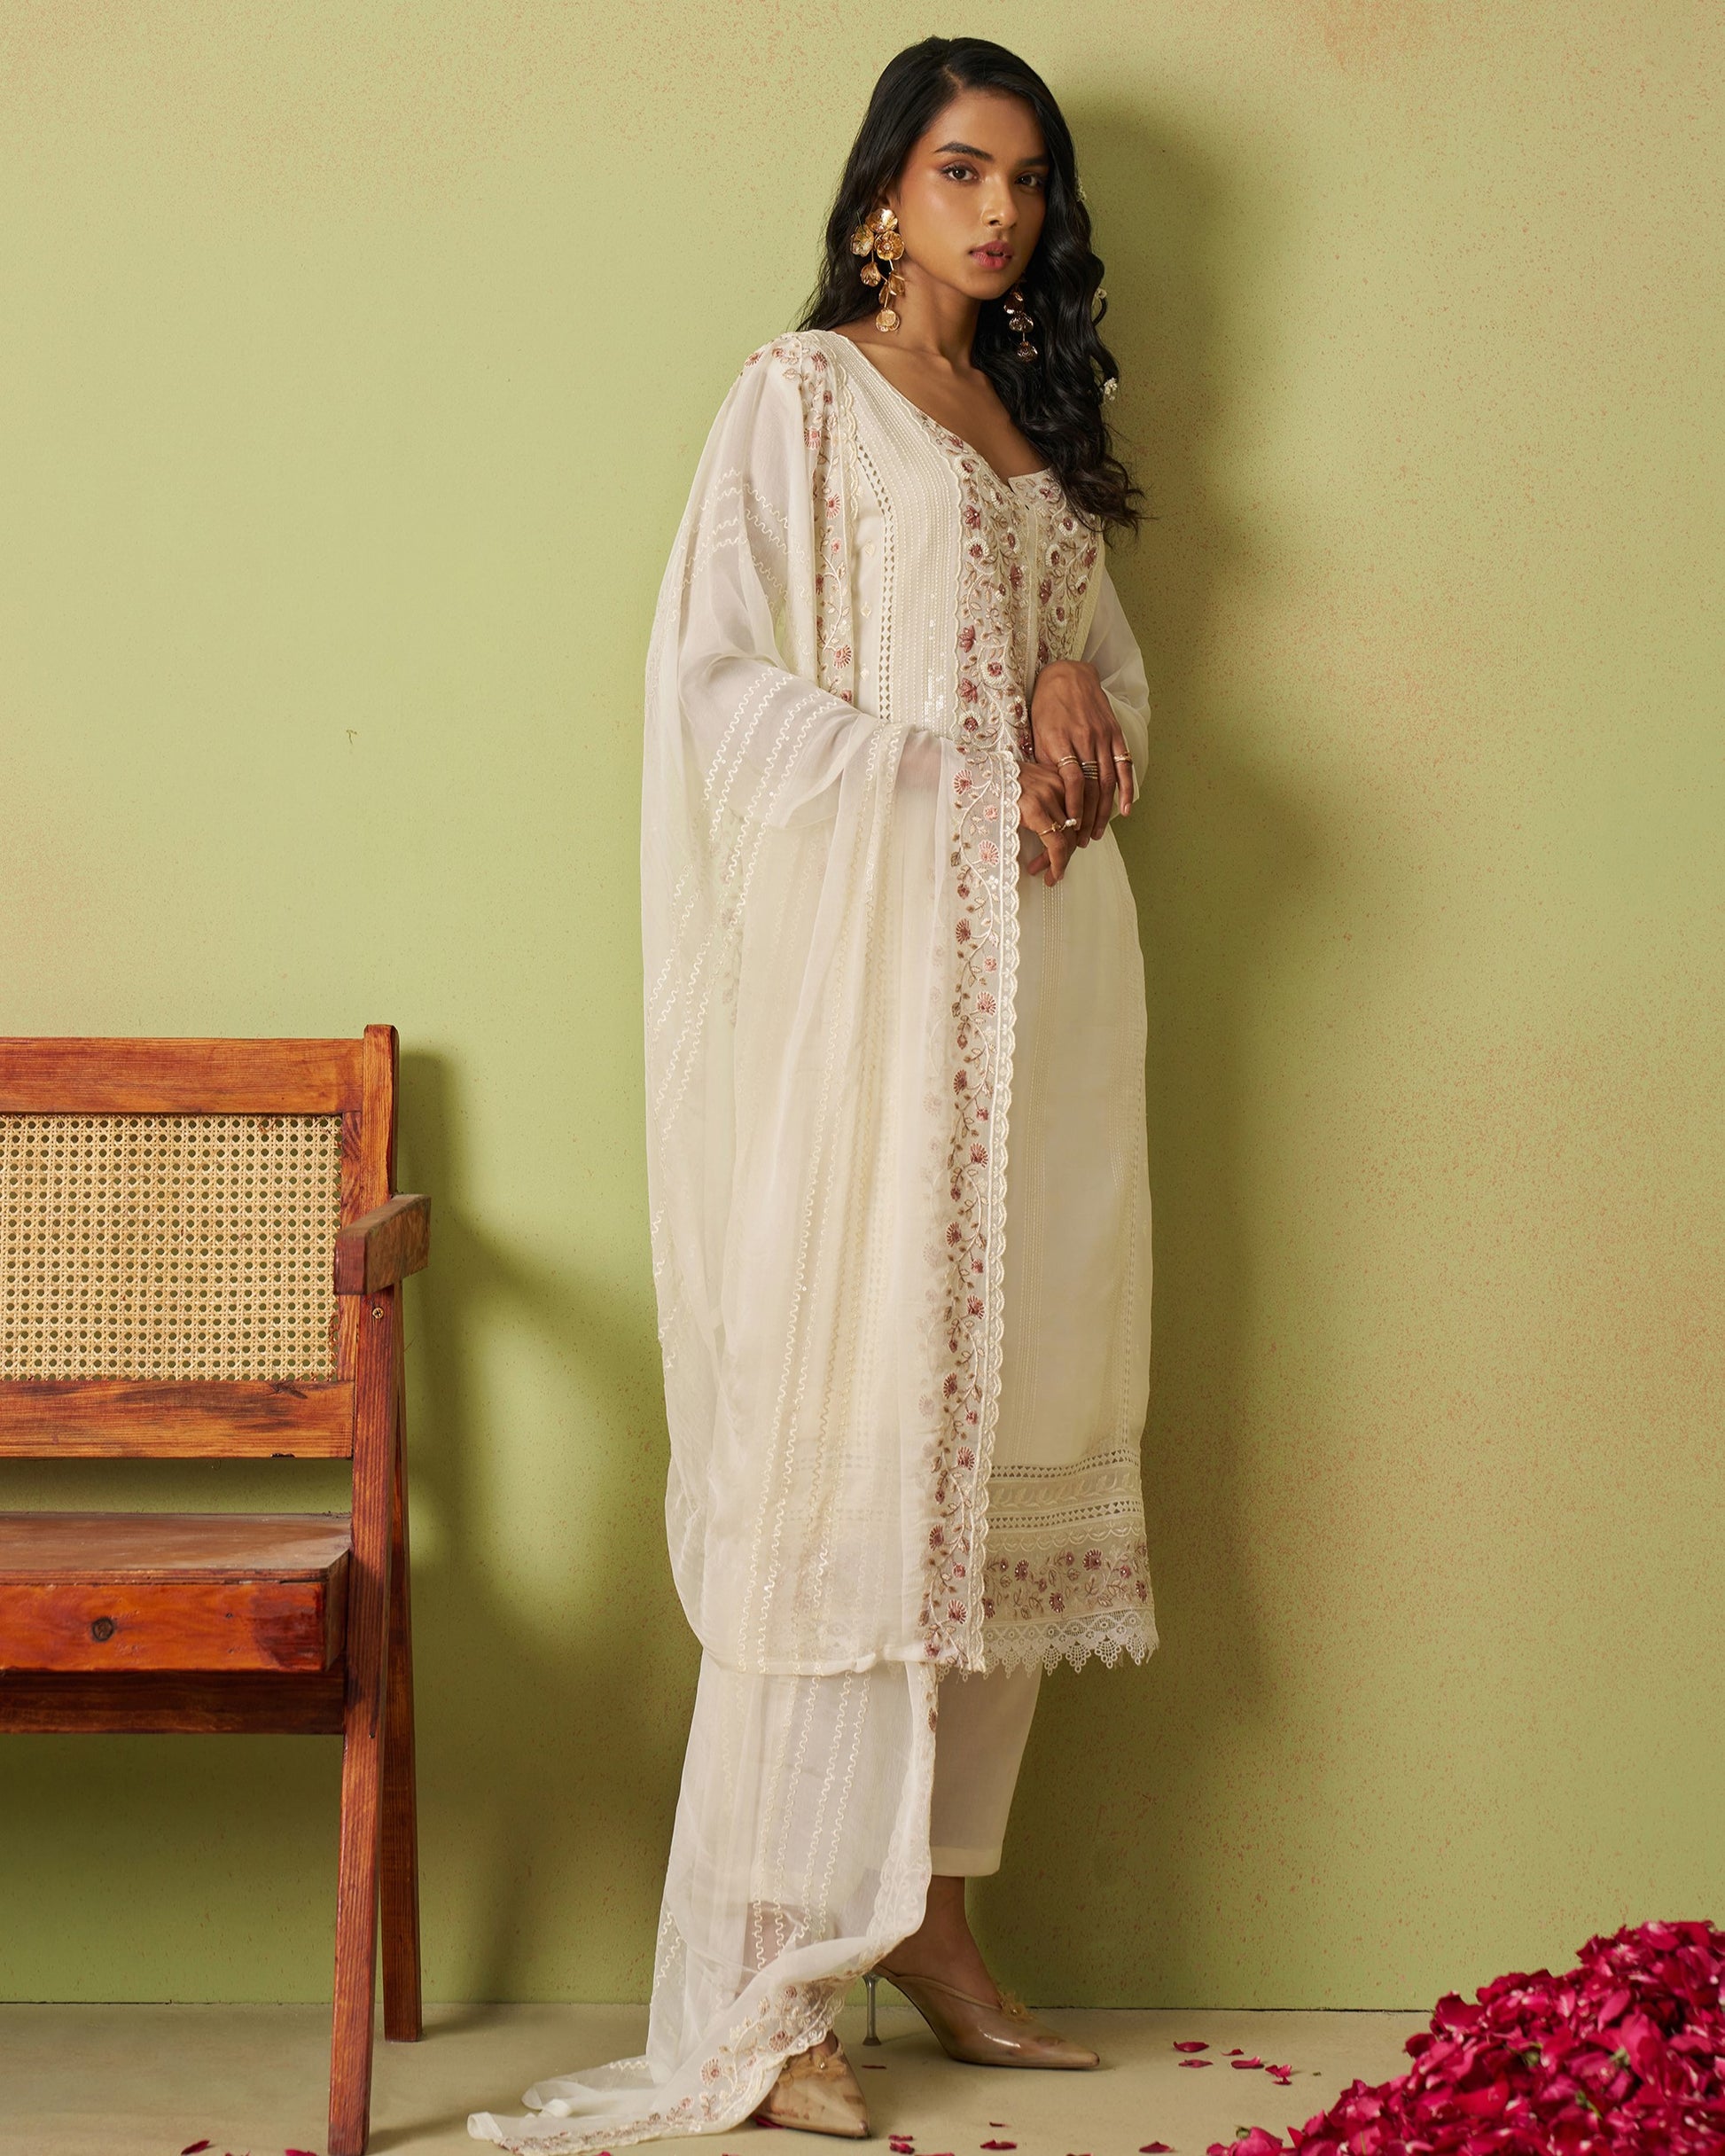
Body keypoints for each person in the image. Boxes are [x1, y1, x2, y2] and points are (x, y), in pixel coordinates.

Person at [470, 35, 1157, 2154]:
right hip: (873, 1013)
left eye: (1026, 180)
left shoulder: (1030, 435)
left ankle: (936, 1916)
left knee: (1014, 1421)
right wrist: (953, 774)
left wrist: (1071, 692)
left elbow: (1115, 691)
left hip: (1046, 998)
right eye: (961, 170)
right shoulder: (802, 406)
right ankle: (777, 1980)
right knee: (849, 1448)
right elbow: (719, 693)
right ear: (881, 194)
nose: (999, 211)